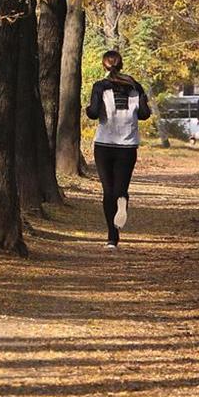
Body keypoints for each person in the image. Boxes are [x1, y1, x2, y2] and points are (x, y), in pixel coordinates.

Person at [85, 50, 151, 249]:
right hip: (127, 145)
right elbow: (145, 115)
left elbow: (94, 114)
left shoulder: (99, 87)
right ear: (120, 65)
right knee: (121, 188)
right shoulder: (135, 86)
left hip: (104, 144)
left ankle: (112, 239)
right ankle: (122, 199)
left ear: (104, 65)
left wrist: (88, 109)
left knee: (107, 191)